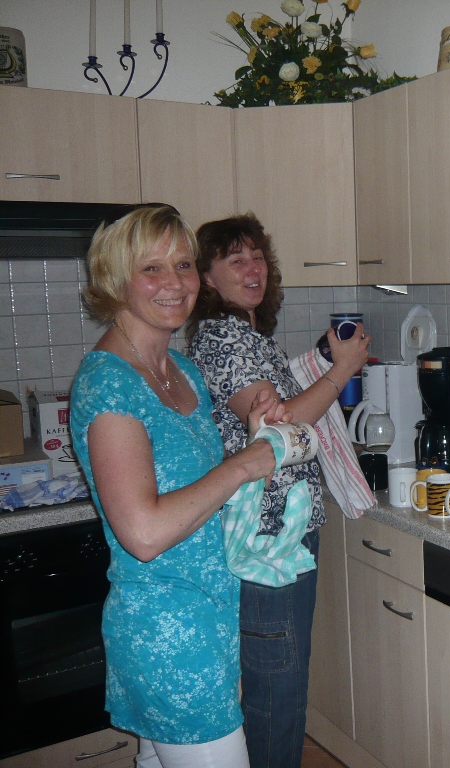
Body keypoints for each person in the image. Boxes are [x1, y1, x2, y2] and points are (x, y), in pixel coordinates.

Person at [71, 204, 286, 768]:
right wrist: (242, 466)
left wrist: (253, 440)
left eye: (184, 265)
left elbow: (200, 492)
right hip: (168, 634)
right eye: (152, 268)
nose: (175, 283)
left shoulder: (182, 371)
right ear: (115, 280)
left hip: (212, 615)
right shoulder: (108, 384)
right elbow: (143, 534)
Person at [186, 213, 371, 768]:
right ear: (207, 277)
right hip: (268, 539)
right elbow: (278, 431)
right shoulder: (224, 338)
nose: (253, 269)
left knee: (283, 678)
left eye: (258, 256)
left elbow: (278, 411)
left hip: (282, 534)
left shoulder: (248, 337)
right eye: (235, 259)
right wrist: (342, 371)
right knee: (277, 688)